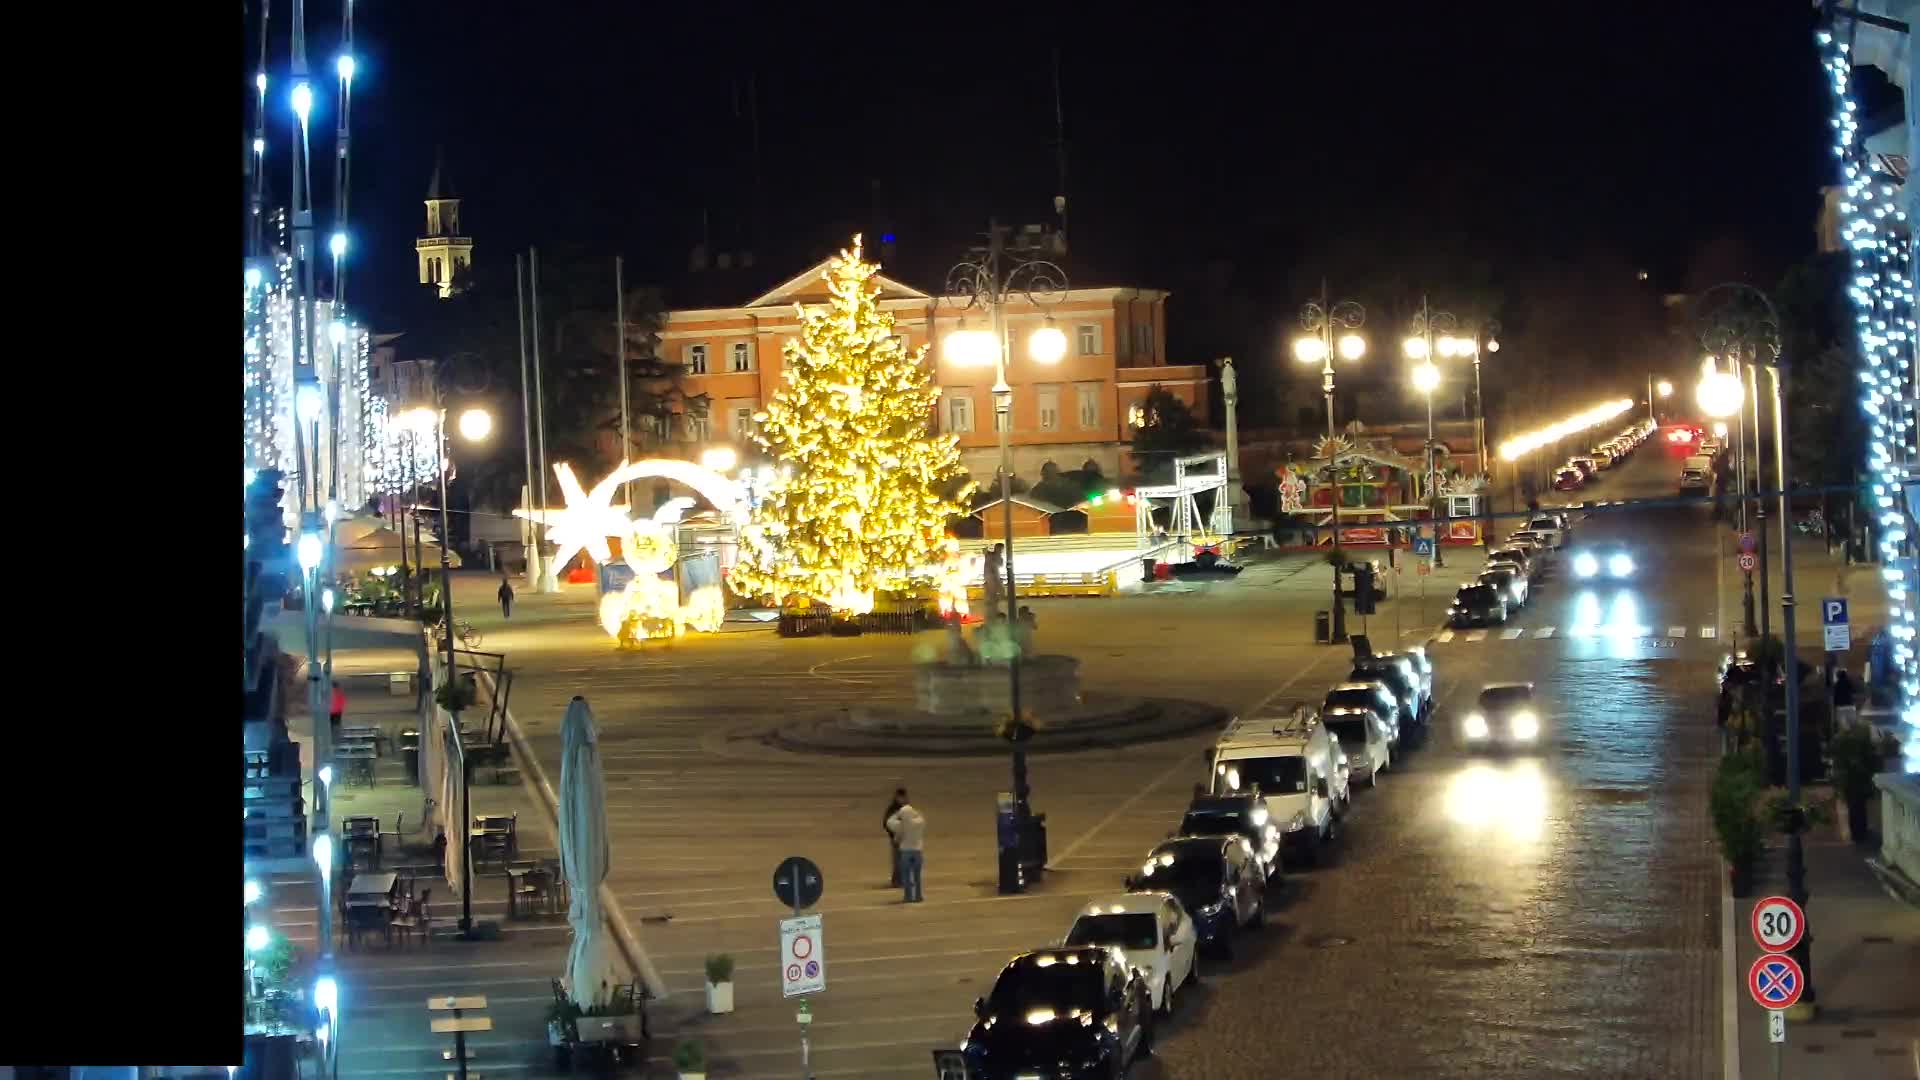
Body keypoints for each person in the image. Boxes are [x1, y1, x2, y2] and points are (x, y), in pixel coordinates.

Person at [886, 796, 927, 903]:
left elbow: (889, 822)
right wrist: (914, 812)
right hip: (917, 851)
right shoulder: (919, 823)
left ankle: (908, 897)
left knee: (907, 876)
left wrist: (898, 813)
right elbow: (921, 817)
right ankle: (918, 896)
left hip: (906, 852)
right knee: (917, 876)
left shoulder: (900, 825)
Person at [884, 787, 908, 887]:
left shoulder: (907, 808)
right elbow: (886, 823)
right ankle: (896, 881)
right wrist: (892, 834)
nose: (901, 799)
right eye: (900, 797)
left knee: (903, 859)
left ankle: (902, 879)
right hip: (895, 838)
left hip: (905, 838)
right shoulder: (892, 808)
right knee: (897, 860)